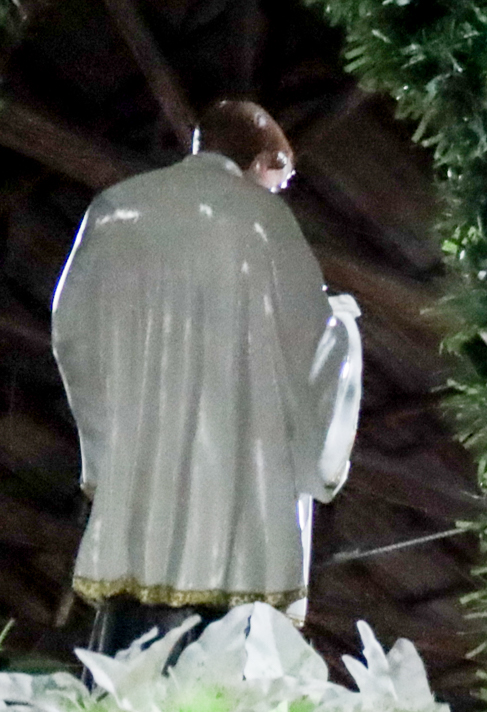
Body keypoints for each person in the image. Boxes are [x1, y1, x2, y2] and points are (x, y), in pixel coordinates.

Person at [52, 99, 360, 642]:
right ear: (265, 158)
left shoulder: (117, 205)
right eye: (281, 177)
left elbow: (74, 333)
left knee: (126, 661)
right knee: (216, 664)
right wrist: (343, 327)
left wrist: (108, 449)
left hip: (145, 472)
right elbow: (310, 344)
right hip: (236, 489)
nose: (278, 190)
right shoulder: (263, 219)